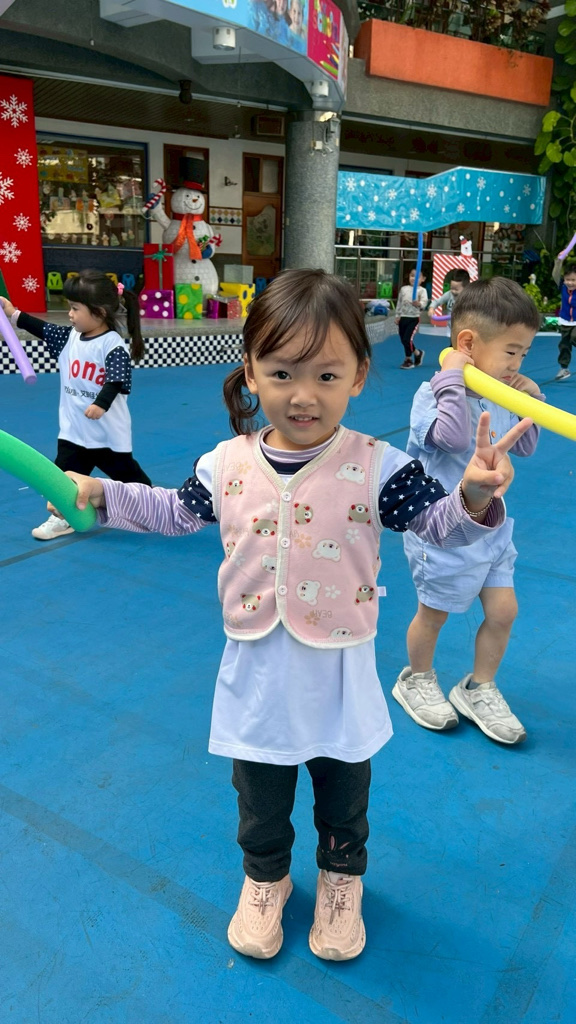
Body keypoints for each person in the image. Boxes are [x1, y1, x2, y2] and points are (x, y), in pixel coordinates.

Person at [57, 270, 530, 962]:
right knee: (259, 794)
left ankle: (341, 880)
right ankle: (266, 877)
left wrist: (475, 497)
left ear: (358, 376)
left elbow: (440, 526)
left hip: (339, 670)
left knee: (344, 793)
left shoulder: (380, 466)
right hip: (256, 671)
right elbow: (173, 512)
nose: (303, 395)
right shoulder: (226, 463)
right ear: (250, 371)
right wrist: (103, 494)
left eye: (326, 375)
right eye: (281, 372)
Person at [394, 277, 543, 745]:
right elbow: (454, 438)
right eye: (511, 352)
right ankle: (416, 679)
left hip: (493, 528)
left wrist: (530, 400)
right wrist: (453, 379)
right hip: (443, 531)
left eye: (524, 354)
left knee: (504, 611)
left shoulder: (501, 392)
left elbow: (526, 447)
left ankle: (478, 687)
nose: (517, 364)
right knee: (434, 614)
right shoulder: (432, 394)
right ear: (467, 344)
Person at [1, 270, 152, 541]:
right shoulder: (69, 338)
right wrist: (12, 313)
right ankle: (64, 517)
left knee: (130, 477)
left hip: (106, 435)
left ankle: (150, 503)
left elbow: (117, 379)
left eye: (74, 308)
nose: (69, 314)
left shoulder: (111, 345)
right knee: (60, 479)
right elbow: (42, 329)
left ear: (99, 313)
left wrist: (101, 404)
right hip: (73, 431)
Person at [395, 267, 427, 369]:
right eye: (412, 276)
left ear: (423, 279)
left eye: (417, 277)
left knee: (407, 339)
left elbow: (424, 303)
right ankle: (417, 353)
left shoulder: (422, 290)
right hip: (403, 317)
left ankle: (408, 359)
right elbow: (399, 303)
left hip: (413, 318)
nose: (414, 278)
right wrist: (397, 315)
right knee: (404, 340)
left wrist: (419, 304)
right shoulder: (404, 289)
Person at [552, 256, 576, 380]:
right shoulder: (563, 287)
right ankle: (564, 369)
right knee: (564, 346)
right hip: (565, 321)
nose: (570, 283)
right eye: (567, 279)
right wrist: (558, 262)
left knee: (574, 336)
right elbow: (555, 275)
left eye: (573, 280)